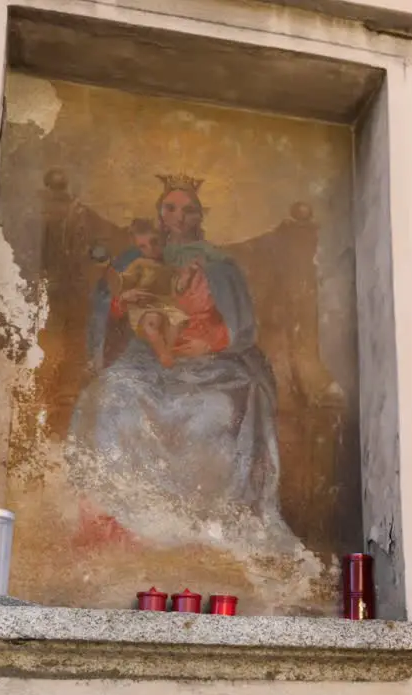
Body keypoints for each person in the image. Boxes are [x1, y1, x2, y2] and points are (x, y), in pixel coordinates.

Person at [68, 173, 299, 558]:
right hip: (146, 361)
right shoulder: (134, 258)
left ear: (200, 216)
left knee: (217, 410)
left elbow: (242, 325)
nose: (178, 215)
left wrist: (211, 339)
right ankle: (117, 520)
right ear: (159, 214)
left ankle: (210, 529)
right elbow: (106, 309)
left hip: (213, 366)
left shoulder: (221, 265)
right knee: (110, 396)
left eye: (188, 209)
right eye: (170, 207)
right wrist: (120, 305)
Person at [102, 219, 188, 367]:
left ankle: (167, 354)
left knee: (177, 322)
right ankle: (164, 356)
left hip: (166, 306)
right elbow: (123, 283)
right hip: (144, 307)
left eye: (154, 242)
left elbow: (177, 289)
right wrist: (109, 271)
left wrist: (184, 280)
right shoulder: (140, 264)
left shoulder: (171, 266)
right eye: (143, 246)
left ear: (162, 239)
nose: (150, 248)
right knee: (153, 321)